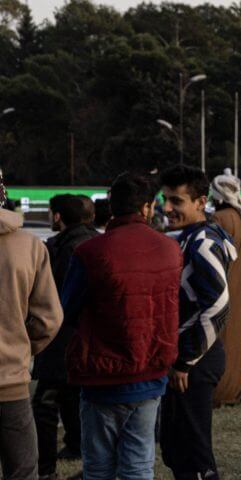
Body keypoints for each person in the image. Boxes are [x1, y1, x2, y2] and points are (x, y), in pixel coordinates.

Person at [64, 173, 180, 480]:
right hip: (150, 371)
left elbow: (68, 309)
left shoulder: (90, 252)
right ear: (146, 207)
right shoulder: (170, 249)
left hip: (101, 375)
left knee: (98, 468)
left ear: (112, 206)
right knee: (138, 466)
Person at [158, 166, 237, 480]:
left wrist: (185, 360)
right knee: (176, 449)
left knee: (195, 457)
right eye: (165, 199)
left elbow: (219, 305)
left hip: (196, 361)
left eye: (176, 201)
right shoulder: (191, 236)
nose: (167, 208)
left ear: (201, 202)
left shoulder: (203, 241)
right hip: (191, 358)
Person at [32, 195, 96, 478]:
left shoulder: (62, 248)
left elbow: (53, 295)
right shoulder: (93, 241)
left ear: (57, 216)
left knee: (45, 404)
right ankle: (75, 445)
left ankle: (45, 468)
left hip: (61, 337)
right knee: (72, 396)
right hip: (85, 335)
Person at [0, 189, 62, 480]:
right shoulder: (30, 246)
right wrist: (20, 345)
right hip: (11, 381)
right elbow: (49, 319)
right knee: (23, 470)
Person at [208, 175, 241, 408]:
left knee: (222, 342)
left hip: (222, 288)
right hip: (240, 290)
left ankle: (221, 392)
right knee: (238, 343)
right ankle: (236, 389)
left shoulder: (219, 218)